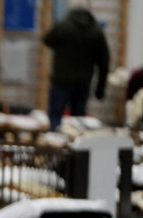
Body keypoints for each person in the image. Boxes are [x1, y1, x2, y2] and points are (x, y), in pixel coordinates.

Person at [43, 0, 110, 131]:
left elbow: (47, 40)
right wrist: (100, 87)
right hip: (83, 82)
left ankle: (55, 144)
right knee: (78, 121)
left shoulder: (63, 26)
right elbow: (104, 62)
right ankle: (75, 148)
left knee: (55, 117)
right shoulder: (96, 31)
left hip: (61, 80)